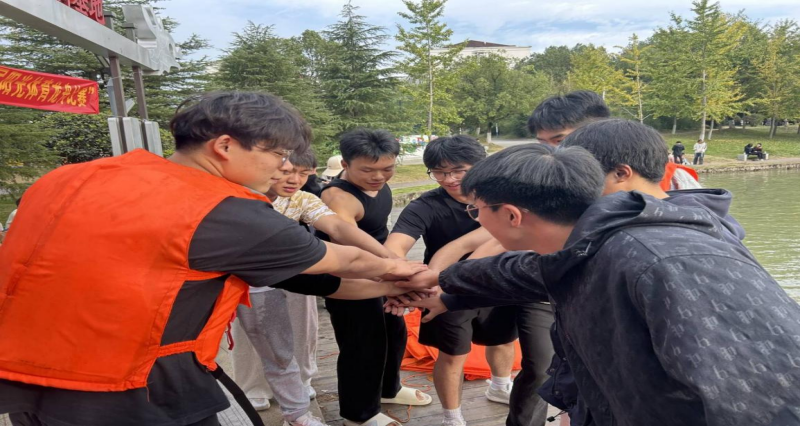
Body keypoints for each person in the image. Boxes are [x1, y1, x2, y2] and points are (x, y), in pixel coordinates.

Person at [0, 92, 425, 426]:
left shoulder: (70, 177)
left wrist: (390, 286)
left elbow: (303, 278)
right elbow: (339, 261)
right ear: (224, 146)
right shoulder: (223, 209)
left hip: (21, 374)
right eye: (277, 155)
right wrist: (409, 272)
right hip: (130, 384)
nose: (282, 169)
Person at [397, 137, 800, 426]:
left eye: (476, 210)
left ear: (512, 216)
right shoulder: (585, 246)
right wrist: (445, 289)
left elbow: (768, 393)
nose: (475, 219)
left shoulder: (667, 263)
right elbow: (522, 271)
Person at [230, 149, 397, 425]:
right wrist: (392, 268)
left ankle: (300, 391)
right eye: (286, 172)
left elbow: (339, 228)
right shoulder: (240, 199)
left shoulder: (302, 198)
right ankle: (269, 397)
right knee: (271, 346)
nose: (295, 180)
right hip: (254, 283)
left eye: (304, 173)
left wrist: (391, 261)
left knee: (302, 336)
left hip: (297, 275)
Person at [383, 135, 518, 426]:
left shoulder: (504, 198)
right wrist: (398, 276)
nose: (449, 179)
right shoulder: (425, 206)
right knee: (453, 353)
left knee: (503, 339)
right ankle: (452, 417)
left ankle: (500, 386)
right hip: (445, 289)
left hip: (498, 281)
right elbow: (395, 246)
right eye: (439, 172)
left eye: (458, 171)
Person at [319, 129, 432, 426]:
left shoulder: (379, 184)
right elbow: (345, 240)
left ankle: (388, 390)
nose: (378, 176)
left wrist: (393, 272)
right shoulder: (338, 197)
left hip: (384, 269)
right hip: (349, 276)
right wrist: (392, 270)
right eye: (367, 170)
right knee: (362, 344)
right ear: (345, 164)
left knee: (394, 332)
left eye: (387, 168)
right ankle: (358, 414)